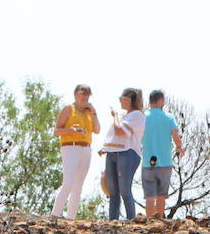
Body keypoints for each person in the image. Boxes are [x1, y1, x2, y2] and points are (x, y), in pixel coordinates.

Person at [51, 84, 100, 219]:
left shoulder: (90, 112)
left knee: (78, 185)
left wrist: (94, 112)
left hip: (86, 147)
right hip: (70, 146)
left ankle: (70, 218)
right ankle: (55, 214)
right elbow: (56, 131)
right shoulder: (68, 109)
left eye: (87, 94)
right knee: (68, 182)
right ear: (75, 94)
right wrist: (69, 130)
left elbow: (97, 130)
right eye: (82, 93)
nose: (85, 97)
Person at [102, 88, 145, 220]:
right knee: (113, 191)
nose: (119, 101)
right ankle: (112, 221)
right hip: (113, 153)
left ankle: (131, 220)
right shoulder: (125, 116)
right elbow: (116, 135)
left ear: (128, 100)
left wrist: (115, 116)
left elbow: (120, 131)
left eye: (121, 98)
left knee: (125, 189)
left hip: (127, 153)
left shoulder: (137, 115)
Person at [140, 90, 184, 219]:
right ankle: (158, 222)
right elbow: (175, 136)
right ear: (160, 101)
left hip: (148, 161)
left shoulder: (143, 117)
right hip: (165, 162)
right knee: (161, 196)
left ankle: (149, 222)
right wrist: (180, 148)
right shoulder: (169, 117)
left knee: (149, 196)